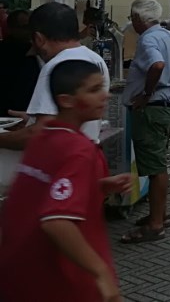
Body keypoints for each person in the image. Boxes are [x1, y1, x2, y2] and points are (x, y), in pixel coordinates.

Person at [0, 60, 132, 302]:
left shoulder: (43, 137)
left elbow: (44, 191)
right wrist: (101, 272)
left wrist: (96, 187)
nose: (104, 96)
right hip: (62, 283)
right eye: (93, 90)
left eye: (102, 87)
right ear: (66, 100)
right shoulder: (78, 149)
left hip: (19, 275)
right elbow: (56, 221)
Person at [120, 0, 170, 244]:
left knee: (155, 167)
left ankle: (156, 224)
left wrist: (146, 92)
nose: (132, 23)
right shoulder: (166, 35)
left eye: (133, 19)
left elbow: (158, 64)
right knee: (158, 163)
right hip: (166, 106)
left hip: (153, 108)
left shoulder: (149, 39)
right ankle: (159, 214)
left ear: (139, 19)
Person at [25, 2, 111, 146]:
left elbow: (41, 130)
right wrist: (31, 118)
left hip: (63, 154)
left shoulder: (56, 65)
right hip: (87, 148)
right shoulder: (95, 59)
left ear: (39, 39)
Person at [0, 9, 40, 115]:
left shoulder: (34, 48)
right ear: (11, 29)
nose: (28, 31)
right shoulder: (7, 49)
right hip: (11, 104)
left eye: (30, 27)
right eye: (24, 27)